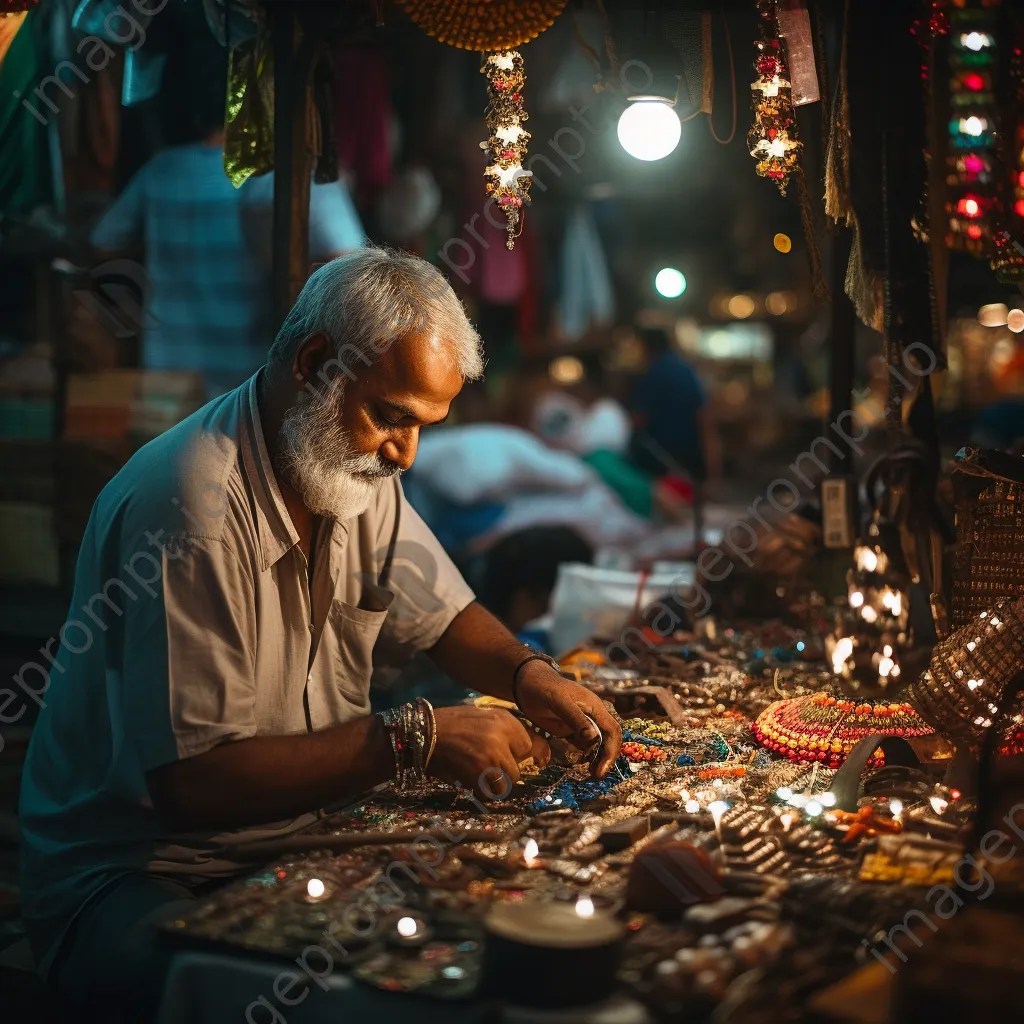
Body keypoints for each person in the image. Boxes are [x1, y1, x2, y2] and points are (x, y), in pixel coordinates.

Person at [19, 248, 622, 1020]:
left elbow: (443, 613)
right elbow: (193, 787)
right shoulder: (192, 510)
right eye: (394, 415)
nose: (407, 453)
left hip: (300, 840)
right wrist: (416, 738)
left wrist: (530, 675)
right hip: (142, 876)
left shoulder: (350, 465)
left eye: (423, 426)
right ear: (314, 364)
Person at [90, 59, 365, 399]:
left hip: (168, 380)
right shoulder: (300, 176)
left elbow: (103, 244)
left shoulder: (162, 170)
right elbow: (353, 275)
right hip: (253, 389)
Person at [629, 326, 721, 544]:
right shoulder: (686, 371)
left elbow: (639, 419)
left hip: (664, 464)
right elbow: (704, 421)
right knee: (695, 521)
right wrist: (714, 471)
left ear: (646, 348)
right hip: (692, 459)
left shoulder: (653, 374)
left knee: (671, 523)